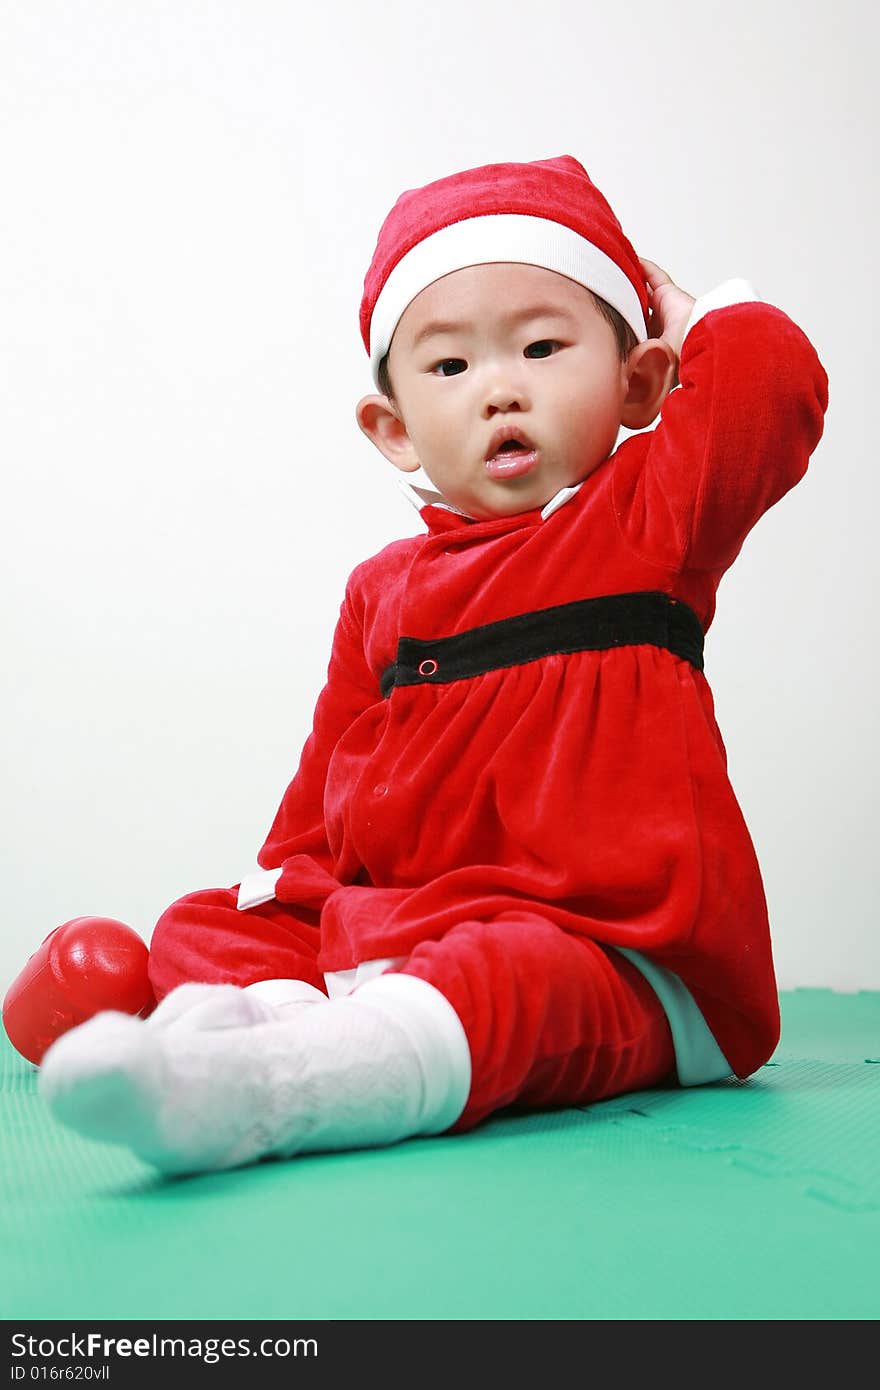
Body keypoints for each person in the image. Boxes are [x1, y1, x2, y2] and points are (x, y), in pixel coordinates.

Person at [29, 155, 827, 1176]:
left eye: (542, 346)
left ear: (637, 382)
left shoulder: (645, 522)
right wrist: (282, 911)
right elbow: (322, 794)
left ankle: (274, 1091)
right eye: (450, 368)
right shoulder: (382, 589)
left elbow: (770, 392)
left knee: (509, 973)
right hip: (410, 929)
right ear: (395, 429)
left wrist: (691, 313)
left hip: (620, 953)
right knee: (209, 922)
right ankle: (231, 1044)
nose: (500, 386)